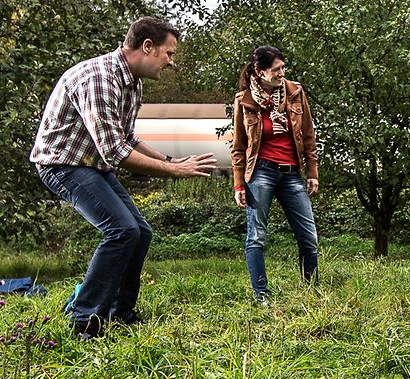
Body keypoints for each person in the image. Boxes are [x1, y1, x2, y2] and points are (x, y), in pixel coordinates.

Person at [29, 17, 218, 340]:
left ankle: (121, 314)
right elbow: (117, 153)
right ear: (147, 47)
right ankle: (84, 321)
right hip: (62, 164)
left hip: (91, 164)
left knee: (140, 232)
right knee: (121, 230)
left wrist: (172, 160)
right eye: (168, 53)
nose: (171, 61)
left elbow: (127, 138)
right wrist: (175, 171)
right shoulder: (100, 80)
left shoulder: (132, 82)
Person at [230, 46, 320, 306]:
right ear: (260, 72)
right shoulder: (245, 101)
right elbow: (238, 146)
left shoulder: (295, 93)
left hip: (292, 173)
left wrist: (312, 172)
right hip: (261, 172)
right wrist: (238, 184)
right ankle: (262, 295)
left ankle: (312, 292)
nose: (283, 73)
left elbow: (309, 135)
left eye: (283, 67)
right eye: (276, 69)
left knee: (309, 237)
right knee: (256, 235)